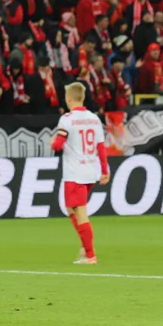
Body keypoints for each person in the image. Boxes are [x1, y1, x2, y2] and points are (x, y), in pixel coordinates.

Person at [50, 83, 110, 264]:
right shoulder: (94, 118)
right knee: (72, 210)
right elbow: (101, 147)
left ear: (68, 98)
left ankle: (90, 254)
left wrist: (53, 141)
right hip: (91, 171)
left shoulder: (67, 119)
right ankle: (85, 246)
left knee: (80, 212)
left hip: (75, 173)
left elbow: (58, 145)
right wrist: (105, 171)